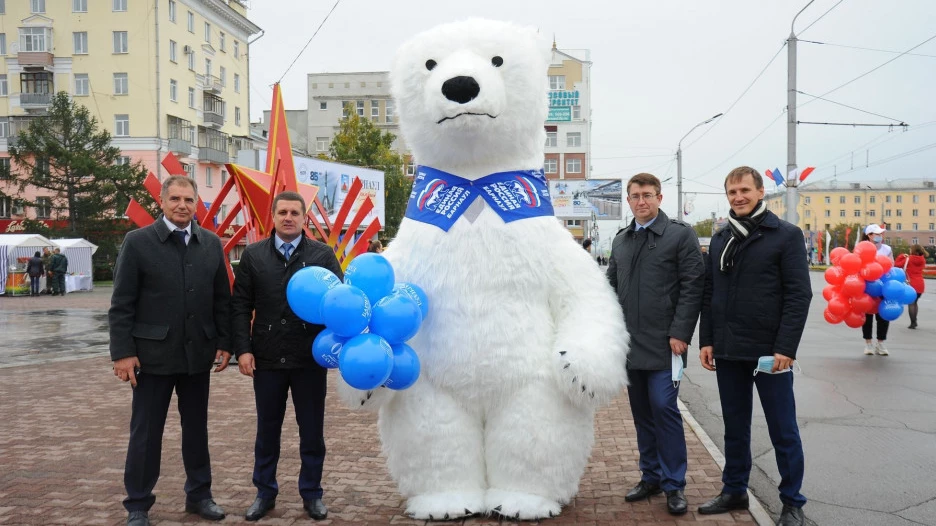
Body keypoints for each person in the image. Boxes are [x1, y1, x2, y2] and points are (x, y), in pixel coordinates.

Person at [109, 176, 232, 526]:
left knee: (197, 430)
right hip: (151, 358)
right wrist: (122, 353)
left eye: (189, 200)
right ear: (161, 202)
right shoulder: (138, 242)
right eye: (175, 198)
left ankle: (199, 496)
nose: (182, 205)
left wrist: (225, 342)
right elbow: (121, 304)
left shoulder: (211, 244)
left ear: (197, 205)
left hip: (198, 355)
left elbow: (221, 299)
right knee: (146, 432)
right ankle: (137, 504)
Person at [698, 166, 811, 526]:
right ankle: (734, 490)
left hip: (769, 354)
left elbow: (799, 295)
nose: (738, 197)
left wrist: (786, 348)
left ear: (761, 192)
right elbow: (710, 292)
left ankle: (792, 502)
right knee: (735, 426)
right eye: (732, 192)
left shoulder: (786, 236)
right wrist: (708, 340)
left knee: (783, 429)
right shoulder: (720, 238)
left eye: (745, 190)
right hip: (729, 351)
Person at [232, 191, 342, 522]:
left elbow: (339, 300)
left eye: (295, 212)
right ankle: (264, 492)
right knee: (267, 431)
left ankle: (312, 493)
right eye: (283, 212)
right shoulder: (253, 256)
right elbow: (240, 305)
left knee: (312, 432)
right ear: (273, 217)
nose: (289, 217)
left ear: (305, 218)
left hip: (309, 358)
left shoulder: (322, 255)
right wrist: (243, 349)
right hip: (266, 359)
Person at [607, 172, 704, 516]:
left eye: (647, 194)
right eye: (635, 196)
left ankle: (674, 484)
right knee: (642, 414)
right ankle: (650, 477)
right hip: (631, 346)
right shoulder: (620, 240)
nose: (641, 201)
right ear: (629, 200)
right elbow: (610, 292)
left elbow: (694, 286)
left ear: (660, 198)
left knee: (664, 409)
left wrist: (681, 332)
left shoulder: (680, 235)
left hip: (667, 345)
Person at [861, 225, 893, 355]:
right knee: (867, 317)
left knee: (883, 315)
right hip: (867, 287)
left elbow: (891, 266)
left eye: (880, 234)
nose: (879, 236)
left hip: (883, 287)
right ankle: (868, 344)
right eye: (876, 234)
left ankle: (881, 343)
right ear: (869, 235)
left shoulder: (887, 249)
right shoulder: (862, 248)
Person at [895, 244, 926, 329]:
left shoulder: (908, 259)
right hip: (920, 284)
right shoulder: (922, 259)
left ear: (913, 251)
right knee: (915, 303)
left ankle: (913, 323)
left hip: (911, 284)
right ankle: (914, 320)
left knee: (911, 304)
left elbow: (897, 264)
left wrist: (901, 256)